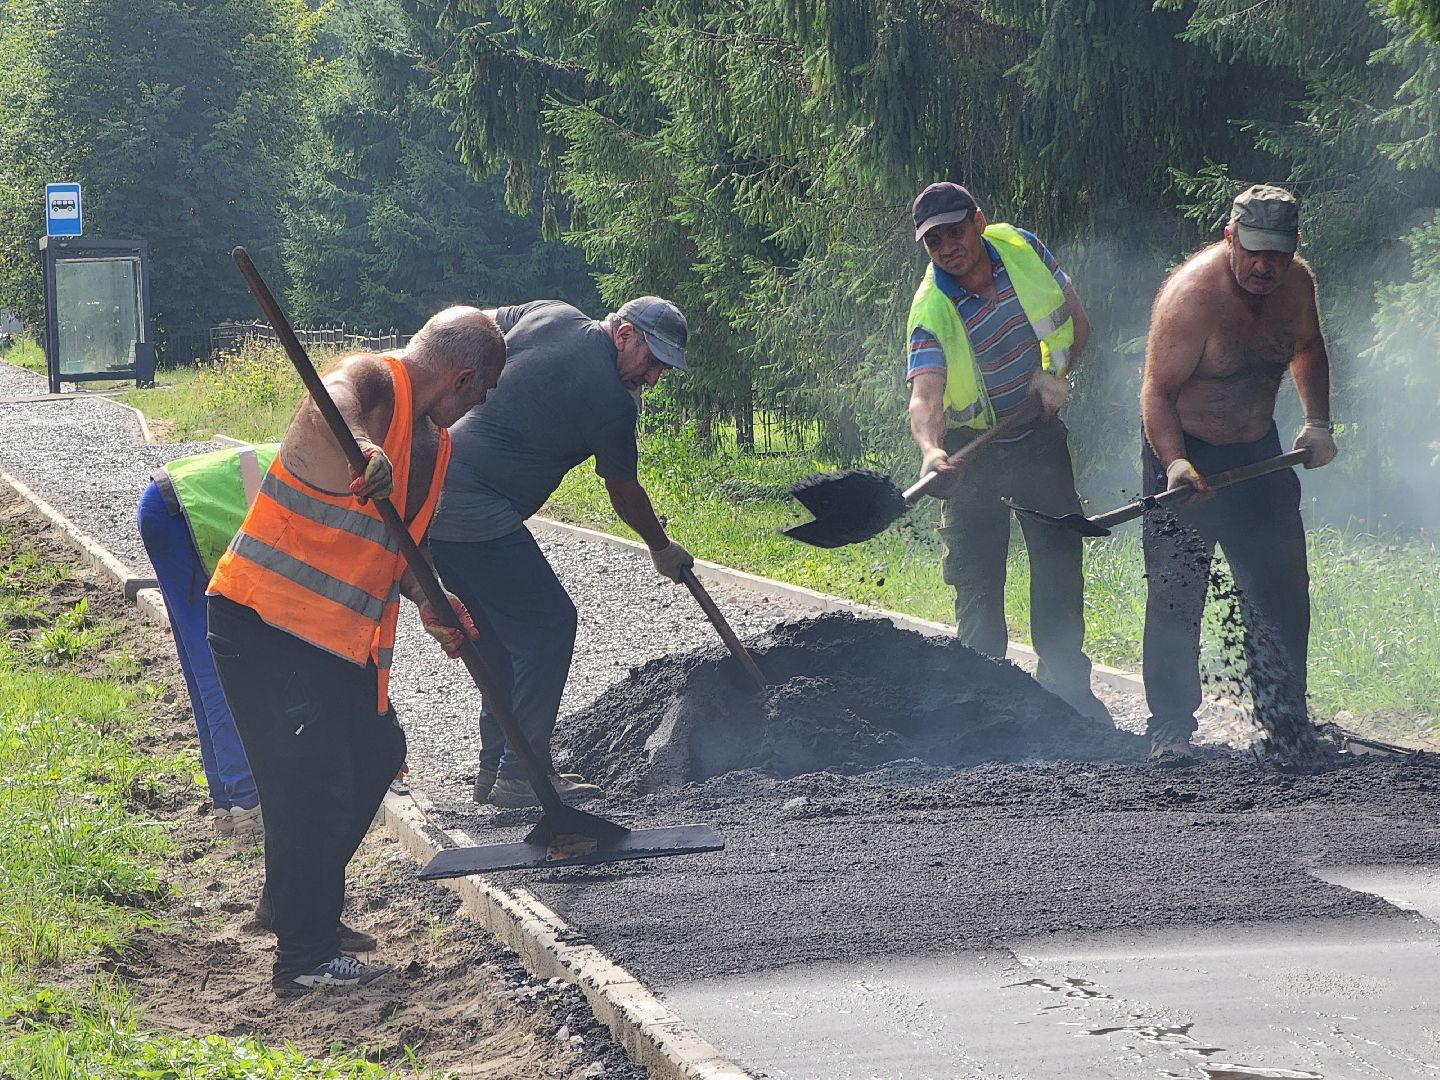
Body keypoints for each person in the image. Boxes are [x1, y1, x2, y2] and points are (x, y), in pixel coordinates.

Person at [207, 306, 504, 995]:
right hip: (263, 620)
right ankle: (304, 958)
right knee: (306, 784)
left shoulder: (437, 448)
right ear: (463, 378)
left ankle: (293, 902)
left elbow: (403, 547)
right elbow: (331, 395)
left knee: (373, 751)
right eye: (480, 395)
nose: (473, 410)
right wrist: (360, 450)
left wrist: (432, 600)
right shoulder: (374, 384)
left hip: (335, 643)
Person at [428, 296, 695, 810]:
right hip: (474, 508)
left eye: (663, 369)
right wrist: (661, 548)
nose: (653, 378)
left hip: (435, 490)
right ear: (624, 335)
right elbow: (622, 490)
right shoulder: (612, 402)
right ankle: (521, 774)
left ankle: (496, 769)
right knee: (550, 623)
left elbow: (476, 323)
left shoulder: (552, 313)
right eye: (651, 360)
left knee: (502, 638)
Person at [138, 442, 378, 953]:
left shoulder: (347, 471)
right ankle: (245, 807)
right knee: (217, 666)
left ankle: (232, 799)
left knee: (207, 668)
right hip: (185, 514)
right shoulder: (358, 497)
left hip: (169, 500)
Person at [1140, 184, 1337, 764]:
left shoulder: (1297, 285)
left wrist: (1318, 422)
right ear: (1229, 239)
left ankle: (1285, 723)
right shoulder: (1192, 296)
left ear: (1293, 247)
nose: (1262, 265)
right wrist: (1175, 463)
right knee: (1176, 592)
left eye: (1275, 254)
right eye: (1252, 251)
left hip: (1259, 454)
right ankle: (1171, 727)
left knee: (1281, 589)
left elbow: (1309, 349)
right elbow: (1156, 391)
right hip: (1184, 452)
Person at [904, 181, 1111, 723]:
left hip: (1037, 440)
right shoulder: (931, 308)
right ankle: (981, 712)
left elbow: (1076, 320)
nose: (947, 246)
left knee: (1060, 565)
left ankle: (1068, 698)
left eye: (954, 232)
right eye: (934, 242)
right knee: (976, 587)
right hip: (970, 459)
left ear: (978, 220)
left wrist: (1056, 376)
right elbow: (924, 395)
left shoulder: (1022, 248)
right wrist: (930, 451)